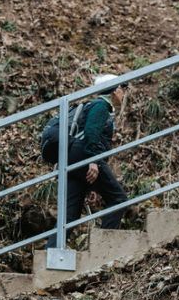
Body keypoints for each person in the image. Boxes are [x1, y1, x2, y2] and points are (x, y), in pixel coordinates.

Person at [46, 74, 130, 248]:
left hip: (73, 157)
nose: (124, 93)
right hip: (85, 155)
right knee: (119, 199)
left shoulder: (94, 105)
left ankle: (51, 253)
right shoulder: (101, 106)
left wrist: (92, 184)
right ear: (114, 90)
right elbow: (91, 134)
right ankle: (104, 248)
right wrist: (94, 161)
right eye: (123, 88)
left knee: (70, 215)